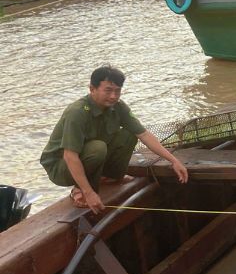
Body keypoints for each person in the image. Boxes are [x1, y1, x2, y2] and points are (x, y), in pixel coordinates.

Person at [40, 65, 188, 214]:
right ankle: (79, 189)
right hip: (60, 166)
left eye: (117, 91)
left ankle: (109, 176)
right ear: (92, 89)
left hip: (88, 156)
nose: (113, 96)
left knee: (129, 134)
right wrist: (89, 193)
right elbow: (69, 156)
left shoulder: (118, 107)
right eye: (108, 90)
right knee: (97, 148)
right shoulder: (77, 113)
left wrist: (173, 161)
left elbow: (144, 135)